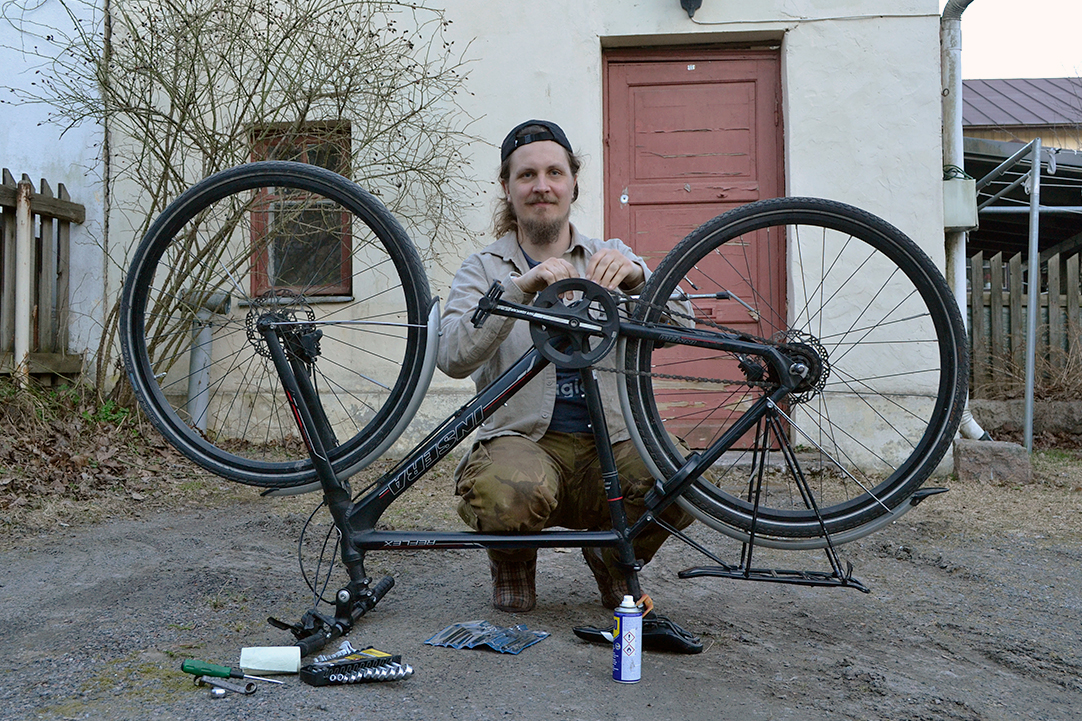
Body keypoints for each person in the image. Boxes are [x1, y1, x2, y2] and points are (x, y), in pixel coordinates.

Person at [436, 120, 694, 613]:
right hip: (524, 440)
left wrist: (640, 281)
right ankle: (513, 562)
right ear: (507, 189)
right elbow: (452, 355)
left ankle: (613, 557)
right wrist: (519, 289)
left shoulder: (611, 256)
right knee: (506, 493)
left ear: (573, 182)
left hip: (614, 441)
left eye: (555, 172)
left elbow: (683, 323)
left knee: (681, 481)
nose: (542, 186)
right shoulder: (484, 268)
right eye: (527, 175)